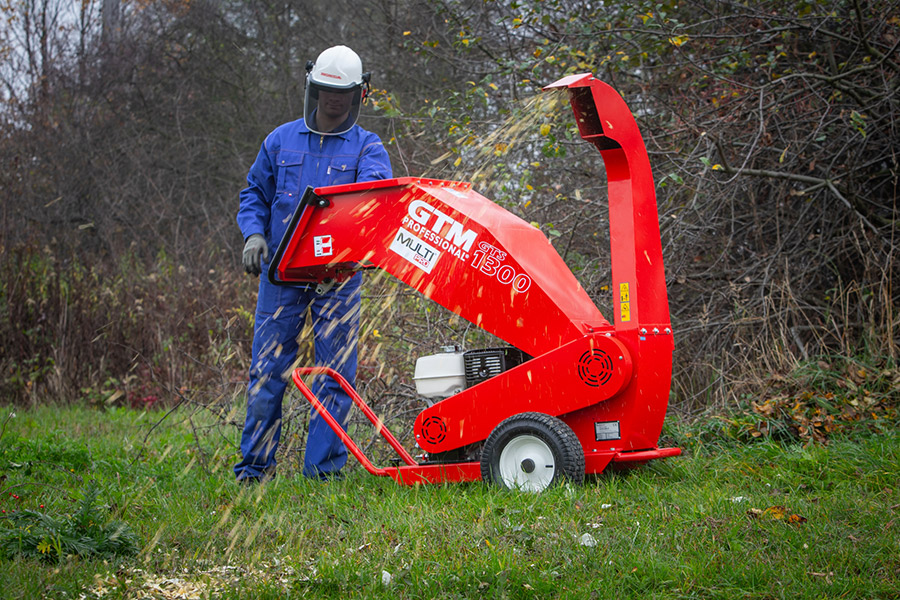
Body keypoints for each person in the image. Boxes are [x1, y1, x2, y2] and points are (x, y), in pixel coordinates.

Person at [234, 46, 392, 483]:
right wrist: (253, 233)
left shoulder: (367, 148)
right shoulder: (279, 141)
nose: (334, 101)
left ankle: (322, 476)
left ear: (360, 96)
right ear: (312, 89)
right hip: (282, 274)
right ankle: (254, 472)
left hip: (337, 279)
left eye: (343, 94)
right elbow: (254, 194)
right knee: (267, 372)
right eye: (326, 91)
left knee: (335, 377)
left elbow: (376, 199)